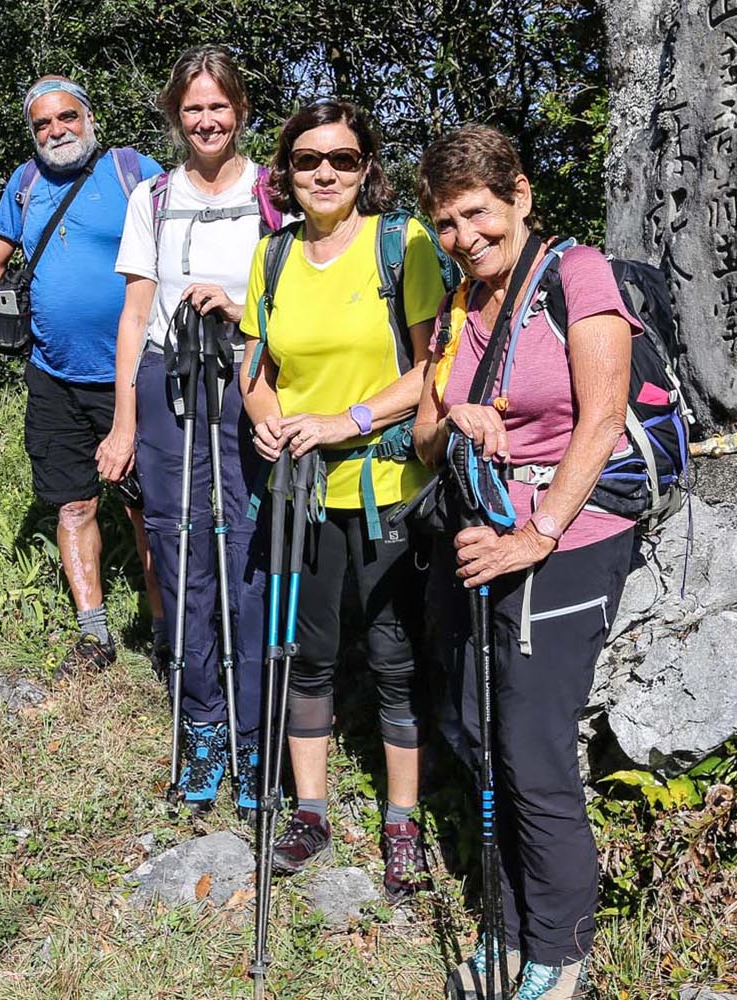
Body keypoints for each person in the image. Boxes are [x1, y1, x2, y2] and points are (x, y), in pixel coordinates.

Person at [413, 124, 641, 1000]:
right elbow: (428, 439)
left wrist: (536, 534)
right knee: (475, 732)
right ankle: (504, 922)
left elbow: (603, 417)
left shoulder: (577, 275)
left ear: (520, 198)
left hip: (566, 538)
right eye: (446, 223)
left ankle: (559, 949)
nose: (465, 237)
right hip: (481, 538)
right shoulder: (458, 305)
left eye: (477, 214)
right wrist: (457, 416)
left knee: (532, 745)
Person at [240, 99, 446, 901]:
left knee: (395, 659)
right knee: (307, 654)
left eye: (343, 159)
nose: (325, 173)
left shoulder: (406, 244)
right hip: (303, 491)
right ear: (286, 174)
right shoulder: (274, 256)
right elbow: (255, 370)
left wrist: (344, 421)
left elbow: (433, 370)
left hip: (388, 483)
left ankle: (402, 821)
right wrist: (268, 424)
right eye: (307, 160)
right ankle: (312, 811)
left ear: (366, 169)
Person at [101, 47, 281, 816]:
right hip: (168, 382)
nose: (207, 120)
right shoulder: (153, 197)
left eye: (219, 106)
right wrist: (122, 423)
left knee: (247, 548)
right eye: (192, 109)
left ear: (239, 110)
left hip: (249, 381)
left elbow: (298, 296)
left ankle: (252, 729)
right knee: (178, 550)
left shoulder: (275, 193)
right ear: (176, 118)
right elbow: (136, 312)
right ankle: (203, 722)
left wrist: (245, 316)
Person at [0, 75, 166, 673]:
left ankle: (164, 631)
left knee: (145, 508)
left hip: (131, 376)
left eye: (66, 117)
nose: (56, 131)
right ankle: (95, 635)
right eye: (43, 124)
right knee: (73, 506)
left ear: (88, 117)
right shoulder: (23, 187)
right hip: (52, 376)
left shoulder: (133, 174)